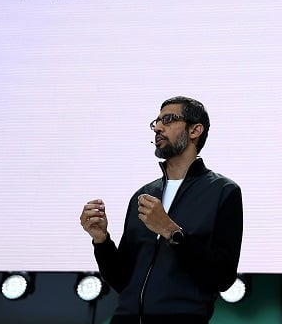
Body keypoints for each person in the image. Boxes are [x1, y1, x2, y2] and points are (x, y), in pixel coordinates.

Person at [80, 96, 243, 324]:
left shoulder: (223, 191)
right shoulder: (144, 194)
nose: (157, 127)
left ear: (195, 130)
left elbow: (222, 277)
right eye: (155, 122)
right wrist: (101, 241)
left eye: (168, 120)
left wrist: (170, 230)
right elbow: (122, 280)